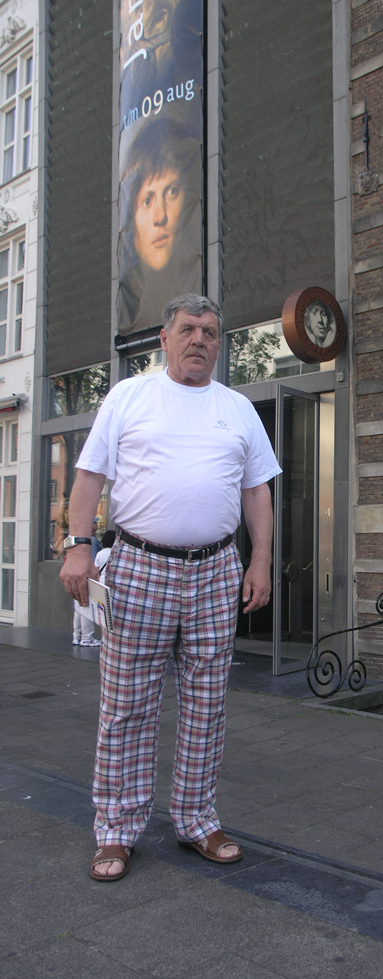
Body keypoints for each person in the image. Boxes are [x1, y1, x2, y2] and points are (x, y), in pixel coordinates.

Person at [60, 294, 281, 882]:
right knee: (126, 705)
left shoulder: (237, 409)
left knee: (207, 704)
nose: (199, 339)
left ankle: (196, 819)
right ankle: (116, 830)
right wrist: (77, 546)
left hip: (216, 570)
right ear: (164, 338)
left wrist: (260, 561)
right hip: (139, 566)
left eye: (209, 331)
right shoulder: (129, 397)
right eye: (187, 329)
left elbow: (257, 490)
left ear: (219, 343)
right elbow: (90, 476)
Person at [117, 118, 202, 334]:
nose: (160, 216)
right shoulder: (130, 306)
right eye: (147, 200)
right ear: (131, 218)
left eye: (172, 191)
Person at [71, 519, 101, 647]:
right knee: (87, 607)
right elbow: (94, 561)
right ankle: (87, 637)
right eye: (95, 522)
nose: (97, 525)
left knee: (79, 607)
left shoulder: (78, 540)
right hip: (87, 577)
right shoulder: (91, 540)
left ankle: (77, 636)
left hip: (77, 575)